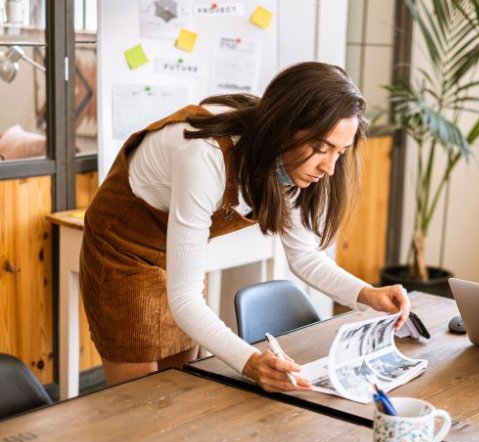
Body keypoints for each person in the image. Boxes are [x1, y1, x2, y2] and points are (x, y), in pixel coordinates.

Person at [79, 62, 410, 393]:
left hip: (173, 251)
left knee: (180, 388)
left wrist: (368, 294)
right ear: (285, 127)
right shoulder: (205, 155)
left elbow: (304, 256)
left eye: (339, 152)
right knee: (138, 401)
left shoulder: (285, 163)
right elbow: (185, 298)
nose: (329, 167)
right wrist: (251, 363)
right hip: (120, 248)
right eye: (321, 148)